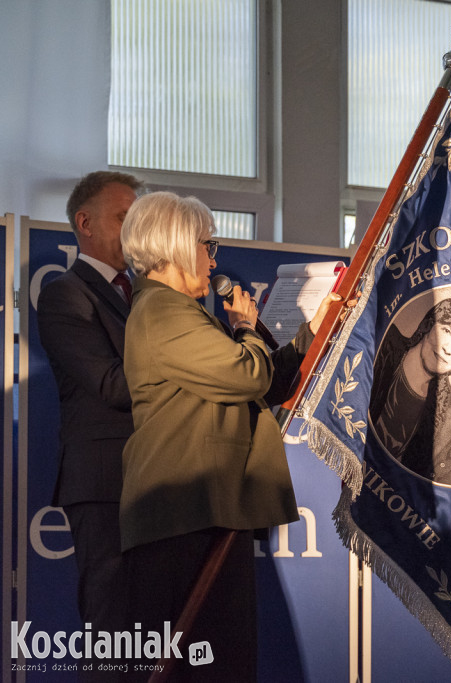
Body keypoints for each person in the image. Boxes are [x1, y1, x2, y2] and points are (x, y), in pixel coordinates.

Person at [118, 191, 336, 680]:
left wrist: (311, 333)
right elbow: (247, 375)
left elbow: (265, 382)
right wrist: (244, 327)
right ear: (176, 246)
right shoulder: (161, 310)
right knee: (207, 666)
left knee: (224, 661)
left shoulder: (181, 312)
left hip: (206, 512)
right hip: (184, 517)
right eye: (207, 244)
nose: (213, 258)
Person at [37, 171, 143, 669]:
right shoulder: (64, 295)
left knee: (157, 633)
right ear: (85, 222)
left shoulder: (149, 295)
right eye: (124, 217)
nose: (136, 228)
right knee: (113, 636)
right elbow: (110, 385)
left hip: (157, 481)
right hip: (105, 483)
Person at [369, 296, 451, 486]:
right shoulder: (384, 347)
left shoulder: (449, 405)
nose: (449, 349)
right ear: (428, 325)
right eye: (446, 330)